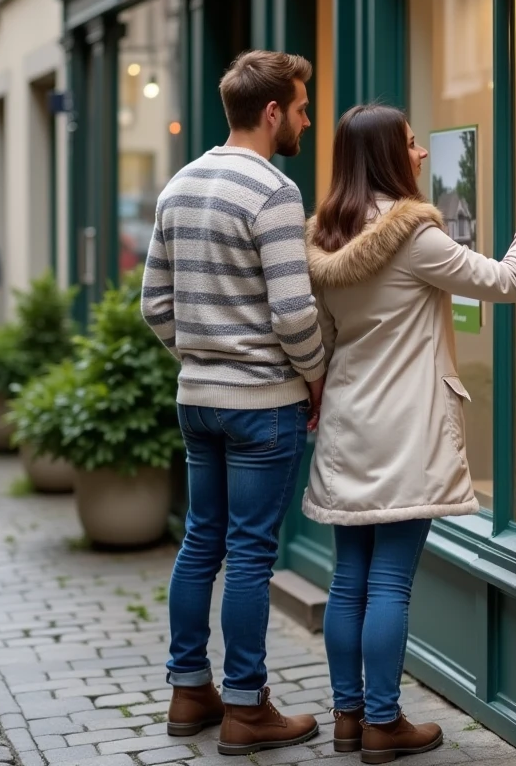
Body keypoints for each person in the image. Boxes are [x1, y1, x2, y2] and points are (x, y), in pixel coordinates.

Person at [303, 104, 516, 763]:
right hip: (406, 433)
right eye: (411, 144)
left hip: (346, 428)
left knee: (349, 578)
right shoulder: (412, 235)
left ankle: (348, 718)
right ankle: (383, 723)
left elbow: (324, 343)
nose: (421, 154)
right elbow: (507, 282)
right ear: (387, 158)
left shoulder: (327, 238)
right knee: (390, 583)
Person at [141, 49, 326, 757]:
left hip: (197, 400)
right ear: (272, 112)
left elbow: (154, 304)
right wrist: (315, 375)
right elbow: (294, 313)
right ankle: (246, 708)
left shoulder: (179, 184)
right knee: (250, 553)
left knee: (201, 542)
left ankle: (190, 691)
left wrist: (199, 357)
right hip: (262, 403)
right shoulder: (274, 191)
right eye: (301, 108)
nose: (306, 120)